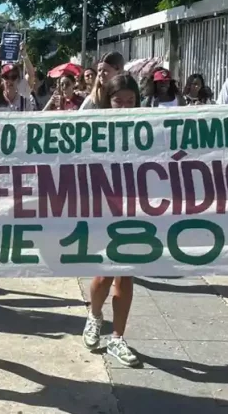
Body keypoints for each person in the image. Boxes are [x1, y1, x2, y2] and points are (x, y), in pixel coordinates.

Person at [81, 73, 144, 368]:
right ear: (107, 100)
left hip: (134, 208)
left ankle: (118, 337)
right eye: (119, 100)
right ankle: (94, 315)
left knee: (126, 274)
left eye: (130, 101)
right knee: (103, 273)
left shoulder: (147, 130)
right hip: (101, 209)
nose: (125, 106)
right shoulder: (94, 127)